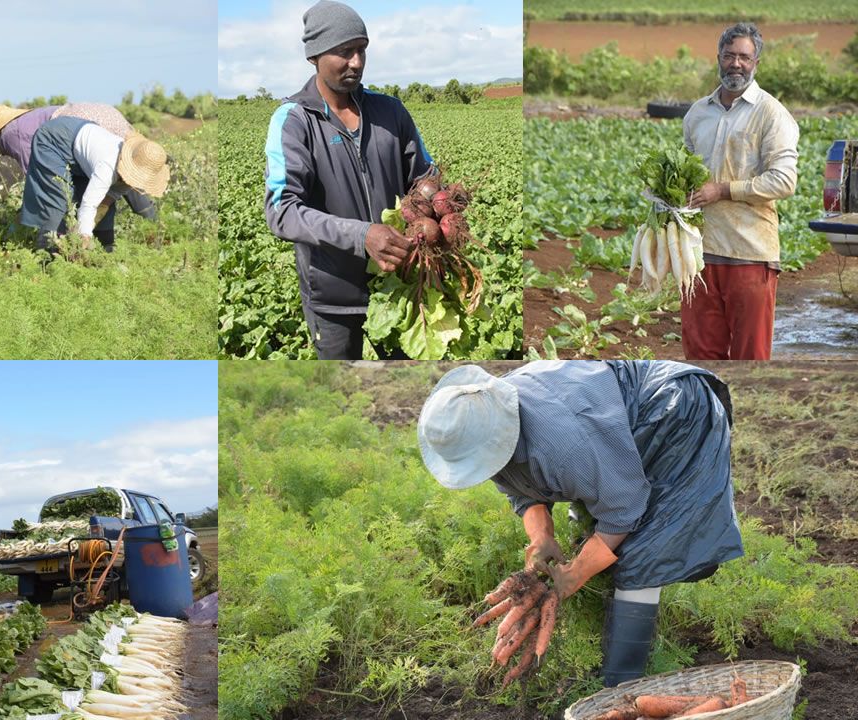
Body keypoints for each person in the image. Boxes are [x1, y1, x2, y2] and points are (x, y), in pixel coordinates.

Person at [417, 361, 742, 687]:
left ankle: (620, 687)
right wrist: (541, 535)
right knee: (592, 538)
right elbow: (518, 488)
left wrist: (576, 574)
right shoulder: (484, 419)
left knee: (643, 553)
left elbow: (624, 509)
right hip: (604, 427)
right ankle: (605, 660)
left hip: (674, 411)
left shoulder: (562, 446)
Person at [263, 0, 435, 359]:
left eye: (362, 50)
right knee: (339, 387)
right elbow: (282, 211)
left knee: (403, 382)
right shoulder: (294, 120)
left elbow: (424, 178)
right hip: (333, 295)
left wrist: (437, 211)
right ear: (314, 56)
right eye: (344, 52)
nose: (356, 62)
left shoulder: (391, 112)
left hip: (400, 285)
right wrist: (362, 235)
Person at [682, 22, 799, 360]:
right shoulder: (697, 114)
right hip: (698, 255)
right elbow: (687, 172)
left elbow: (783, 181)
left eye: (744, 58)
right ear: (718, 58)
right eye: (729, 56)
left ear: (756, 63)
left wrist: (722, 190)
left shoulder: (772, 114)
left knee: (751, 359)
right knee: (702, 358)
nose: (736, 64)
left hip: (750, 253)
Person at [0, 102, 161, 252]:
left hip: (79, 140)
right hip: (54, 137)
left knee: (81, 199)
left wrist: (81, 234)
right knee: (56, 199)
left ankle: (106, 250)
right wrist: (82, 235)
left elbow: (103, 203)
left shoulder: (125, 177)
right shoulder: (14, 134)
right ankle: (46, 254)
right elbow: (85, 202)